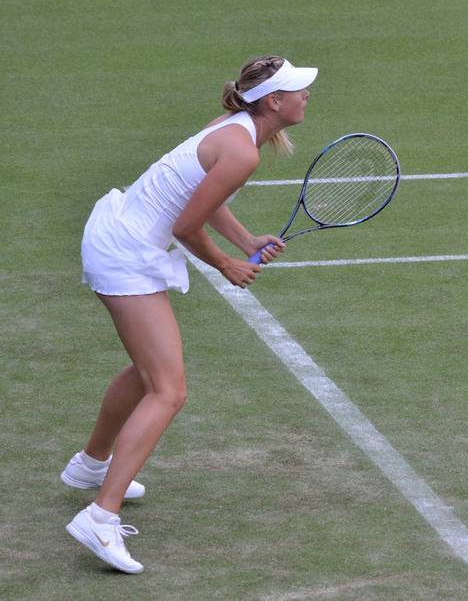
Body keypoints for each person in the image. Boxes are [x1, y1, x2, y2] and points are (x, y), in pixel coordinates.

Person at [61, 55, 317, 574]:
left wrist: (245, 239)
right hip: (126, 252)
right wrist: (226, 264)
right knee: (169, 390)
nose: (306, 96)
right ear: (274, 101)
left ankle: (90, 465)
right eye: (298, 90)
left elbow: (199, 197)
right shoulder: (242, 151)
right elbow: (185, 225)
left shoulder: (233, 129)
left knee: (148, 372)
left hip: (118, 236)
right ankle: (100, 517)